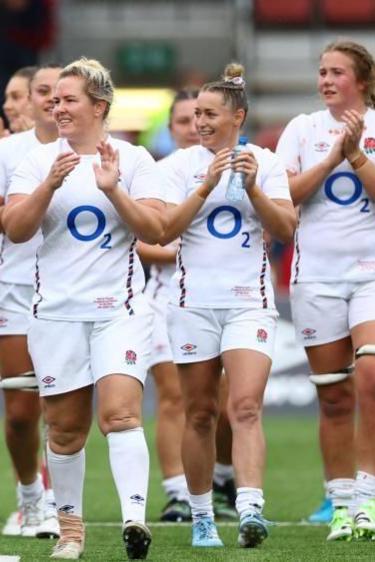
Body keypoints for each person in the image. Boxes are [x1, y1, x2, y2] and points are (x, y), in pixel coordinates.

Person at [2, 57, 163, 561]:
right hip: (56, 313)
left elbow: (156, 231)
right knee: (66, 430)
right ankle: (71, 533)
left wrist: (113, 188)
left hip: (120, 308)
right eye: (55, 99)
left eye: (70, 99)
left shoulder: (134, 161)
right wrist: (49, 184)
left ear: (100, 106)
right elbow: (15, 229)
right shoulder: (37, 162)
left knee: (119, 414)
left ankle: (134, 519)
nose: (57, 106)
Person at [276, 38, 375, 542]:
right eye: (322, 72)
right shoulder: (301, 129)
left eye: (337, 72)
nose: (326, 80)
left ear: (362, 81)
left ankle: (367, 502)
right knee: (334, 397)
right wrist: (332, 156)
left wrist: (356, 158)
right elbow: (284, 196)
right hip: (315, 277)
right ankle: (339, 506)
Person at [161, 64, 297, 549]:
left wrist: (254, 186)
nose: (199, 122)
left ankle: (250, 510)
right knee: (199, 413)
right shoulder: (177, 166)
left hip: (250, 304)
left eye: (209, 113)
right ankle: (201, 517)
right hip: (193, 305)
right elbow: (163, 231)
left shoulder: (267, 162)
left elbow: (285, 230)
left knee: (244, 406)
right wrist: (204, 185)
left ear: (236, 117)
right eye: (195, 113)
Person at [0, 64, 62, 539]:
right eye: (41, 91)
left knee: (62, 409)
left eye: (58, 92)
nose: (51, 99)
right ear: (28, 99)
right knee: (22, 409)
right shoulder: (5, 151)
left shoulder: (94, 151)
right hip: (13, 284)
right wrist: (32, 200)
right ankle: (30, 495)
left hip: (71, 286)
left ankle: (58, 504)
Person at [134, 88, 198, 523]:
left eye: (201, 117)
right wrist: (193, 251)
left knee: (222, 401)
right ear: (171, 129)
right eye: (183, 121)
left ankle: (224, 481)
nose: (194, 127)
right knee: (174, 396)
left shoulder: (237, 170)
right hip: (165, 297)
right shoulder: (156, 174)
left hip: (224, 295)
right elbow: (141, 240)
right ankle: (178, 491)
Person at [0, 66, 36, 143]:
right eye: (5, 99)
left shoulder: (60, 142)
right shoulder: (1, 144)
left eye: (16, 97)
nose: (6, 106)